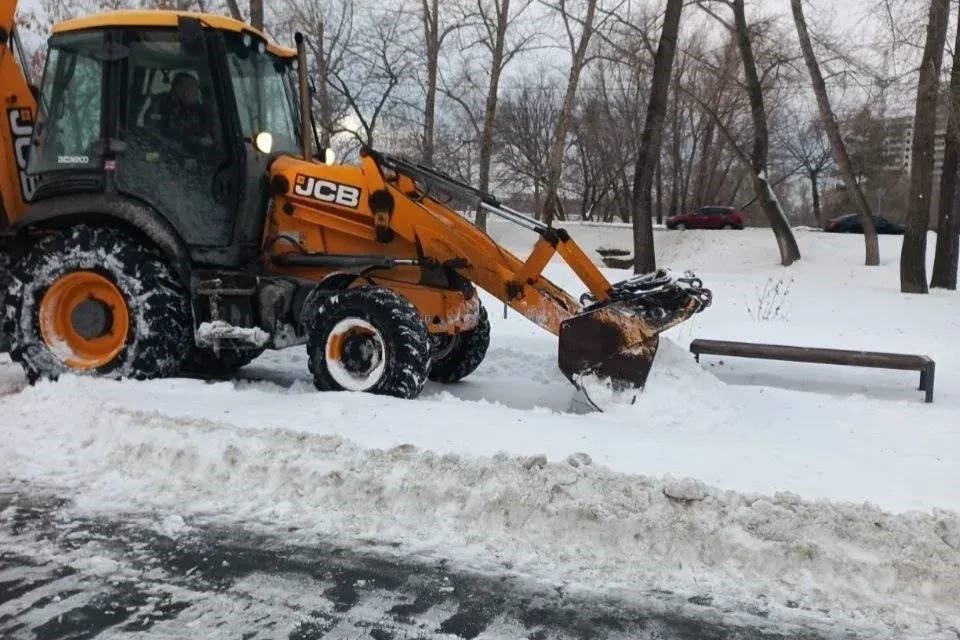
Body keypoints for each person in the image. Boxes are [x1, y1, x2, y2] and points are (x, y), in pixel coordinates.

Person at [145, 71, 214, 150]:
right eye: (192, 88)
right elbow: (154, 136)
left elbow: (205, 130)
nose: (197, 93)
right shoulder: (159, 107)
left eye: (196, 88)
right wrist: (194, 142)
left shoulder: (197, 109)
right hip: (166, 154)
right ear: (179, 89)